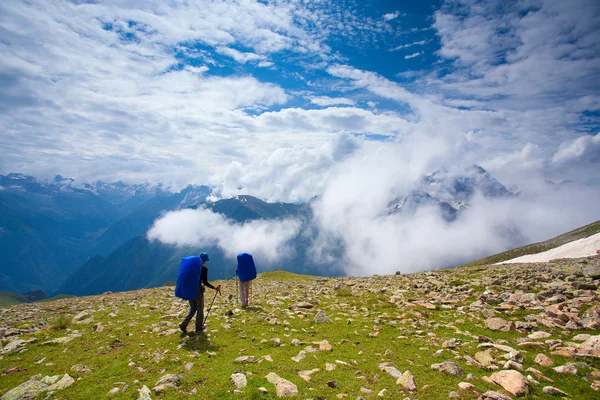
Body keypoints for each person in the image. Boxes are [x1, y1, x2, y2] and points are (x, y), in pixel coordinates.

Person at [179, 252, 220, 333]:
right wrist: (214, 287)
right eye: (206, 260)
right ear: (204, 260)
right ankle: (199, 327)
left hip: (189, 289)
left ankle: (184, 324)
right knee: (200, 308)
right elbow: (205, 282)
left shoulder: (191, 267)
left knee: (193, 308)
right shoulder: (204, 269)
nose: (206, 262)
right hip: (197, 290)